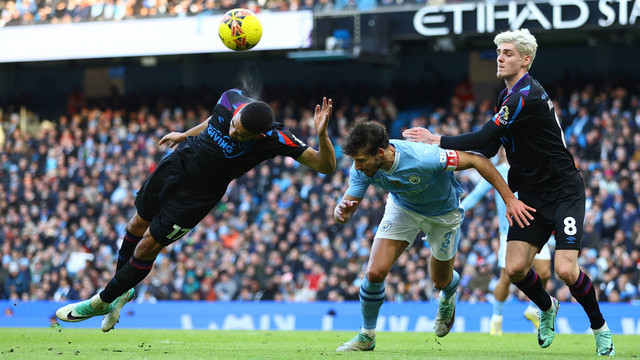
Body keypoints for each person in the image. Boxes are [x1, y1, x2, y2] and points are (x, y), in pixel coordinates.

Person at [403, 29, 615, 356]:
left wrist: (438, 140)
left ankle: (600, 327)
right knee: (514, 269)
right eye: (499, 52)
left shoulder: (524, 96)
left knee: (565, 270)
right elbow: (489, 146)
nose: (500, 57)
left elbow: (485, 135)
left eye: (508, 53)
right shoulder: (507, 96)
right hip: (529, 193)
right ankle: (547, 307)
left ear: (525, 60)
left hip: (563, 192)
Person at [56, 89, 337, 331]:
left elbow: (326, 166)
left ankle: (101, 301)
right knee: (134, 226)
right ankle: (120, 293)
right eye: (234, 124)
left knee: (146, 248)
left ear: (260, 134)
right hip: (177, 165)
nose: (232, 131)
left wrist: (322, 134)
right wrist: (185, 134)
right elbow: (212, 120)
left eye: (240, 134)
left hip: (199, 196)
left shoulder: (277, 137)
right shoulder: (230, 99)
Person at [334, 120, 534, 351]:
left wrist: (510, 199)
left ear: (380, 152)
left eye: (360, 161)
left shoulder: (425, 157)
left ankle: (450, 290)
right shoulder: (361, 166)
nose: (356, 167)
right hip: (402, 209)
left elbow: (477, 160)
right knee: (375, 272)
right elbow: (346, 210)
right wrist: (341, 212)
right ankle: (367, 335)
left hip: (443, 215)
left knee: (440, 280)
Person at [460, 148, 553, 335]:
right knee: (507, 277)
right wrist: (456, 211)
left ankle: (533, 309)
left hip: (536, 229)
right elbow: (476, 195)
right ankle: (496, 318)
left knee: (544, 273)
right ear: (503, 149)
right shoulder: (497, 171)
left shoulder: (531, 167)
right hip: (510, 233)